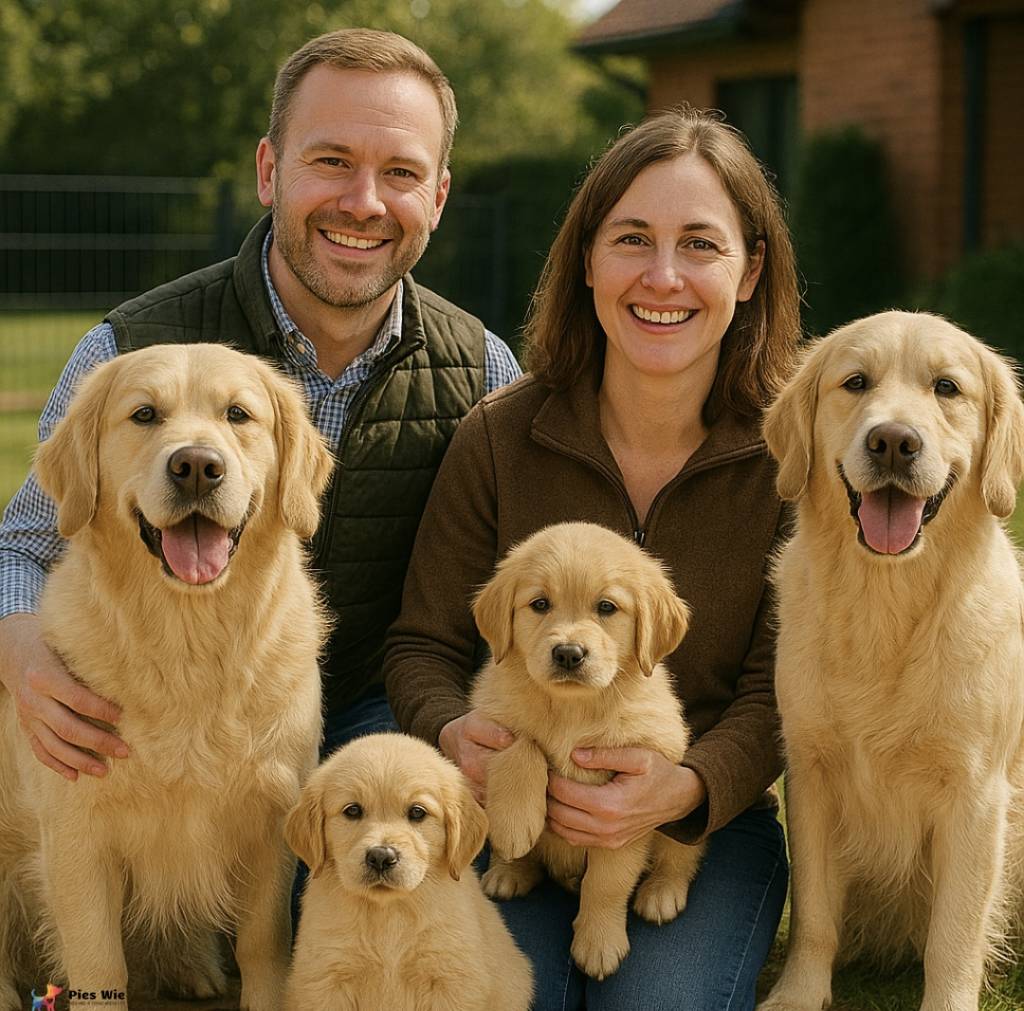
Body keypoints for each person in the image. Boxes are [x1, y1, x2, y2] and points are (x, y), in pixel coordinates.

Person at [0, 28, 520, 781]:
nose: (363, 202)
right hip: (167, 731)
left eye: (401, 172)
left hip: (386, 729)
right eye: (331, 160)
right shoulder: (126, 349)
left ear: (437, 197)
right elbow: (21, 543)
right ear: (270, 170)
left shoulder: (484, 369)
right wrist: (21, 651)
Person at [383, 105, 801, 1010]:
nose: (662, 275)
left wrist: (683, 787)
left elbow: (783, 694)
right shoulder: (500, 436)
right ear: (586, 258)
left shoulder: (792, 461)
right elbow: (421, 646)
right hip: (508, 822)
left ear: (750, 269)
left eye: (700, 244)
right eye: (632, 239)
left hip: (703, 825)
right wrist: (460, 737)